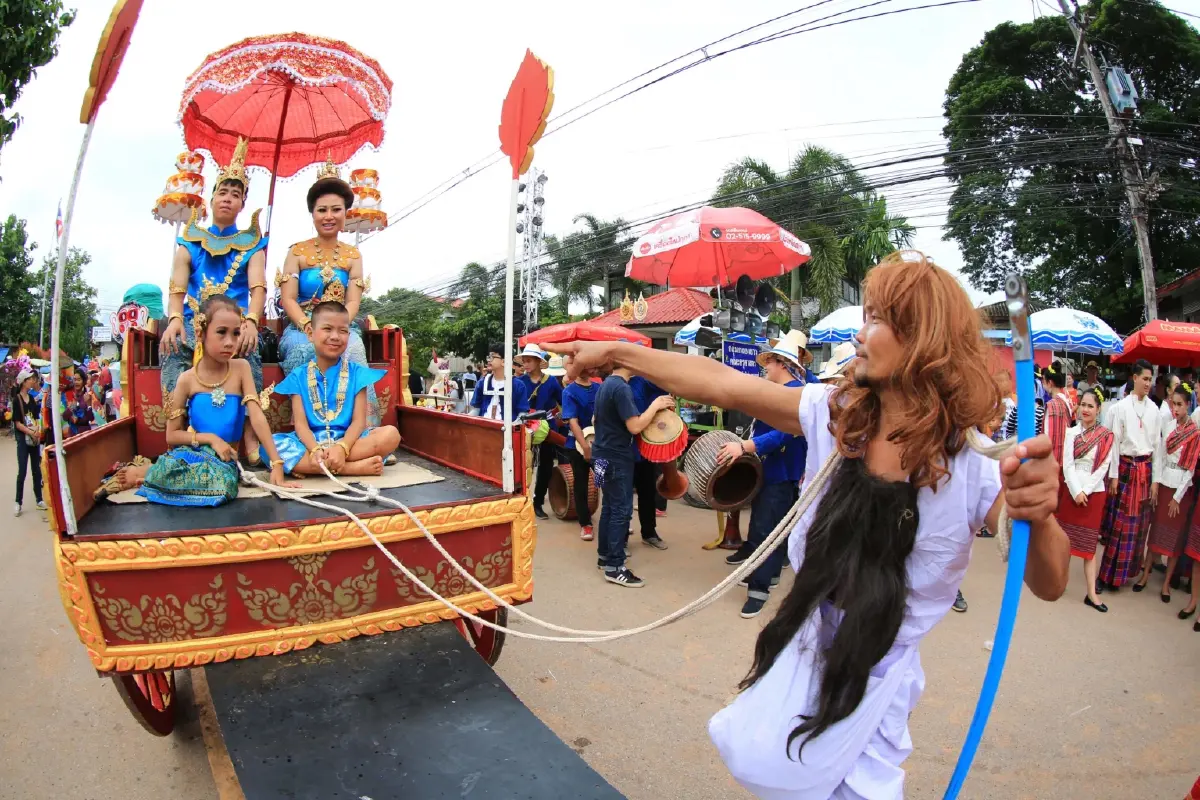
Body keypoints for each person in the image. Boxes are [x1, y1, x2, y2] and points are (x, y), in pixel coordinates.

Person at [555, 250, 1068, 796]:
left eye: (877, 320)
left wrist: (1040, 512)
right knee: (759, 759)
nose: (861, 334)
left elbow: (1049, 581)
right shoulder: (835, 414)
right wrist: (618, 351)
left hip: (879, 681)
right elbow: (720, 384)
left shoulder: (976, 465)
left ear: (923, 340)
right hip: (801, 643)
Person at [111, 295, 296, 505]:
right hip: (193, 453)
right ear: (200, 333)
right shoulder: (186, 379)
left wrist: (277, 461)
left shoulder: (241, 369)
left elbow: (256, 417)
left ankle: (152, 477)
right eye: (221, 332)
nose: (230, 342)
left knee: (222, 484)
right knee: (177, 466)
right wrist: (211, 439)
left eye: (236, 334)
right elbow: (172, 436)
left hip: (224, 461)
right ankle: (148, 473)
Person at [160, 137, 268, 462]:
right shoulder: (189, 241)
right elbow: (177, 288)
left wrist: (250, 322)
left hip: (233, 328)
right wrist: (175, 319)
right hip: (196, 324)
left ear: (242, 203)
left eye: (236, 194)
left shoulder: (253, 245)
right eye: (223, 192)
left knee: (250, 349)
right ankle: (176, 429)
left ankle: (249, 438)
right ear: (211, 198)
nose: (228, 199)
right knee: (172, 347)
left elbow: (258, 289)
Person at [275, 158, 379, 426]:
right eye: (322, 210)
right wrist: (309, 326)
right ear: (313, 214)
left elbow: (353, 301)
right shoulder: (296, 252)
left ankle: (366, 430)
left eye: (336, 209)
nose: (329, 216)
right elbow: (288, 298)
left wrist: (338, 327)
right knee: (301, 352)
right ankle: (311, 429)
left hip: (341, 327)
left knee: (354, 351)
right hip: (303, 328)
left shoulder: (353, 255)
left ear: (345, 213)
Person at [718, 330, 810, 619]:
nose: (764, 367)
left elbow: (782, 435)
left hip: (781, 473)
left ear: (782, 363)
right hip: (773, 470)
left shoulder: (797, 394)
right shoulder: (783, 391)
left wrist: (744, 445)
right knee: (770, 526)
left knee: (765, 529)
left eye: (769, 362)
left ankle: (758, 590)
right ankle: (766, 574)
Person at [264, 301, 401, 477]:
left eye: (343, 331)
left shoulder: (357, 373)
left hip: (350, 442)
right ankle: (349, 468)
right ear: (310, 333)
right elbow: (300, 425)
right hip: (311, 445)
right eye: (327, 329)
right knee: (269, 447)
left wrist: (341, 448)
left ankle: (316, 467)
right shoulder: (298, 375)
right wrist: (314, 449)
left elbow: (359, 422)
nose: (335, 336)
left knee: (391, 435)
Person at [590, 361, 676, 588]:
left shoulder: (606, 384)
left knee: (609, 506)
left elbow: (596, 420)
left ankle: (604, 556)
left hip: (601, 454)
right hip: (616, 457)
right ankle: (615, 567)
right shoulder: (621, 388)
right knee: (621, 510)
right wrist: (656, 405)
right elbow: (635, 426)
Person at [1099, 359, 1160, 591]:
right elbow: (1113, 444)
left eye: (1150, 379)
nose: (1148, 383)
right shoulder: (1119, 408)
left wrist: (1155, 481)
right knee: (1118, 525)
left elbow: (1157, 447)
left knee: (1137, 529)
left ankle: (1124, 575)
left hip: (1145, 473)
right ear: (1134, 378)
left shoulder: (1154, 410)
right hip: (1125, 470)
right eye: (1144, 378)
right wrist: (1113, 475)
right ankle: (1106, 576)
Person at [1137, 381, 1199, 600]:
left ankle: (1166, 585)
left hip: (1180, 490)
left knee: (1174, 538)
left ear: (1188, 405)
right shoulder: (1170, 427)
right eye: (1173, 404)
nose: (1176, 409)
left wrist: (1177, 497)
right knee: (1156, 532)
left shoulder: (1194, 432)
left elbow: (1190, 469)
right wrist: (1156, 483)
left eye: (1180, 405)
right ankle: (1145, 574)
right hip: (1164, 484)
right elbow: (1160, 457)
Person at [1060, 387, 1116, 612]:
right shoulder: (1070, 433)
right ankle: (1059, 583)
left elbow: (1103, 467)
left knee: (1088, 547)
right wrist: (1076, 491)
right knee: (1066, 543)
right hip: (1072, 492)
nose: (1085, 409)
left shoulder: (1106, 436)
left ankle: (1091, 594)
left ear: (1098, 409)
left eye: (1090, 406)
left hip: (1094, 493)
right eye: (1083, 404)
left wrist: (1086, 490)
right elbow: (1067, 464)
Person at [516, 344, 563, 520]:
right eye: (524, 361)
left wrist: (561, 416)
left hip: (547, 429)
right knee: (524, 465)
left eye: (529, 361)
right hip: (525, 428)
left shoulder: (551, 381)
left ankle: (538, 503)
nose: (526, 364)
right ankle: (522, 503)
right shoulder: (519, 382)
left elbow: (562, 401)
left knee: (545, 467)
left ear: (538, 361)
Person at [629, 374, 671, 547]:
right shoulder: (615, 383)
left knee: (647, 490)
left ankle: (649, 532)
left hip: (646, 444)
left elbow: (666, 388)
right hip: (624, 447)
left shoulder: (643, 380)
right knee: (622, 497)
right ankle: (621, 538)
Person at [561, 355, 599, 541]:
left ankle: (613, 521)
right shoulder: (569, 392)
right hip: (577, 446)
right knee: (581, 483)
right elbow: (573, 422)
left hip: (599, 444)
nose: (587, 368)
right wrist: (585, 447)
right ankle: (585, 523)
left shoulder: (599, 388)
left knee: (605, 481)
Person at [11, 368, 46, 516]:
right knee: (22, 471)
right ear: (24, 382)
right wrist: (31, 432)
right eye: (30, 379)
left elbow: (36, 416)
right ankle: (18, 502)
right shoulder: (16, 400)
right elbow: (17, 423)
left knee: (36, 470)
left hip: (34, 438)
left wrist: (37, 430)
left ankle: (39, 499)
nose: (33, 381)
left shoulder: (32, 399)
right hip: (23, 439)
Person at [470, 344, 530, 422]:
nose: (488, 360)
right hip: (483, 430)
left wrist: (514, 427)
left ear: (504, 361)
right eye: (488, 357)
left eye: (492, 357)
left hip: (507, 432)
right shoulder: (482, 382)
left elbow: (522, 414)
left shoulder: (518, 385)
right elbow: (476, 409)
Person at [1040, 361, 1073, 468]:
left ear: (1050, 383)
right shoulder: (1067, 401)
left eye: (1043, 381)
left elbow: (1048, 436)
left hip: (1052, 462)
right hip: (1065, 460)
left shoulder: (1051, 405)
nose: (1042, 385)